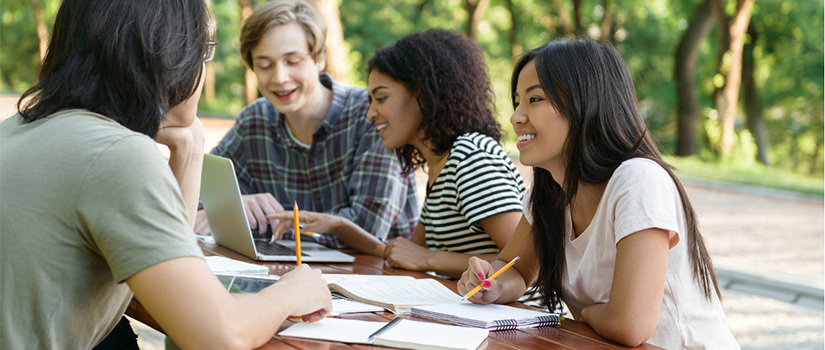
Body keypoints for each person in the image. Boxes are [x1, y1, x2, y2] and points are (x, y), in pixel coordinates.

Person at [0, 0, 332, 349]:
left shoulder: (19, 128)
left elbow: (174, 256)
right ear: (173, 57)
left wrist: (189, 146)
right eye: (203, 52)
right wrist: (293, 291)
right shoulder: (115, 155)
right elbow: (220, 337)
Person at [457, 39, 740, 349]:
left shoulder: (638, 181)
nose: (516, 117)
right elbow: (518, 270)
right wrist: (492, 283)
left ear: (586, 103)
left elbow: (630, 326)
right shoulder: (550, 190)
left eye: (534, 99)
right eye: (516, 102)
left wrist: (588, 314)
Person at [196, 0, 418, 258]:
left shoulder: (370, 115)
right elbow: (196, 194)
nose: (279, 78)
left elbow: (367, 227)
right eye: (265, 65)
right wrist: (234, 206)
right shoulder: (254, 121)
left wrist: (262, 220)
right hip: (292, 275)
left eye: (293, 61)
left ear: (320, 58)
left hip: (380, 277)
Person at [364, 29, 526, 279]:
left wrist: (429, 259)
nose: (370, 113)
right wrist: (338, 226)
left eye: (381, 98)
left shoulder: (470, 156)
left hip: (520, 316)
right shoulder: (440, 166)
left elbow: (523, 261)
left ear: (424, 94)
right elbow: (405, 252)